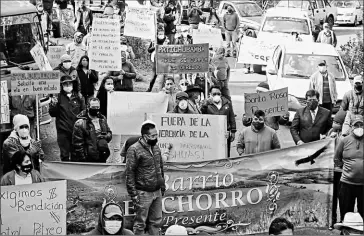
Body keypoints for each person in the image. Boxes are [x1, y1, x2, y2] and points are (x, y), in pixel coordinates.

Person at [126, 120, 166, 235]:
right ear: (145, 136)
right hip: (143, 193)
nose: (156, 137)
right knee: (140, 223)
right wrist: (134, 194)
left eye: (157, 134)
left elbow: (160, 168)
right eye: (153, 136)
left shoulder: (156, 148)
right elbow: (129, 173)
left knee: (156, 221)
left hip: (157, 191)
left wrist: (162, 186)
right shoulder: (134, 150)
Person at [49, 75, 86, 161]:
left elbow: (84, 111)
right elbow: (52, 113)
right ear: (62, 86)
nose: (68, 86)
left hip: (76, 131)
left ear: (73, 84)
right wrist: (54, 105)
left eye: (69, 83)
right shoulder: (58, 97)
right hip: (63, 131)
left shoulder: (79, 97)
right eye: (65, 84)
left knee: (76, 155)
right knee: (64, 155)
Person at [334, 115, 363, 221]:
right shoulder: (344, 140)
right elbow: (337, 158)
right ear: (351, 127)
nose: (359, 127)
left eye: (361, 125)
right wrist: (348, 169)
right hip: (346, 184)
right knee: (346, 216)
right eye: (356, 125)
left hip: (363, 185)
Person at [72, 98, 112, 162]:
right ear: (88, 107)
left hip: (102, 155)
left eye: (97, 107)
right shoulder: (80, 123)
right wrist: (83, 159)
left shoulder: (102, 119)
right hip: (88, 157)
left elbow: (109, 133)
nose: (96, 109)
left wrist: (105, 137)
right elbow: (78, 145)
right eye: (93, 107)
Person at [201, 85, 236, 157]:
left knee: (225, 153)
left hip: (225, 133)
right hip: (212, 133)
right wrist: (204, 105)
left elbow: (231, 117)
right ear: (210, 95)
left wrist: (233, 131)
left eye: (218, 94)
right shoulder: (207, 104)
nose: (216, 95)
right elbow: (202, 117)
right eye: (214, 94)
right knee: (213, 152)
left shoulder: (227, 103)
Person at [328, 109, 347, 230]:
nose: (334, 124)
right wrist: (328, 138)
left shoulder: (346, 136)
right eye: (334, 121)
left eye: (337, 122)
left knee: (343, 198)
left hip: (343, 172)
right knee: (332, 197)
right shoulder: (331, 132)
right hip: (331, 171)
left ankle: (344, 221)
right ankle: (332, 219)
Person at [147, 26, 170, 92]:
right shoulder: (154, 40)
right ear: (157, 34)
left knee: (163, 77)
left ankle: (163, 90)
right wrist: (154, 47)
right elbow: (149, 50)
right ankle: (149, 89)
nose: (160, 35)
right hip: (155, 62)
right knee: (153, 77)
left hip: (164, 61)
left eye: (162, 33)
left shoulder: (167, 40)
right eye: (159, 33)